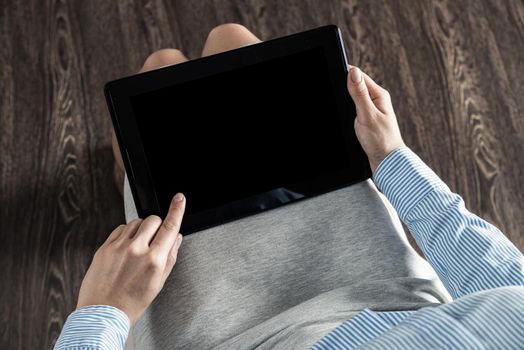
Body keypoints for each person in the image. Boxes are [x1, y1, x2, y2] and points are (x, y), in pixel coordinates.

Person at [54, 24, 524, 349]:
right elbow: (506, 284)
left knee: (158, 72)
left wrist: (105, 310)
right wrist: (391, 159)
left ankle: (125, 178)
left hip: (227, 337)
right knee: (231, 41)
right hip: (384, 291)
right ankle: (129, 177)